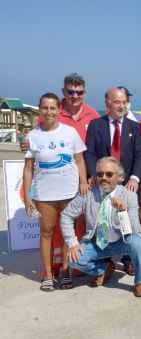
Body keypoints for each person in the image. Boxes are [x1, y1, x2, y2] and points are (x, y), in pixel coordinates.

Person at [20, 73, 100, 278]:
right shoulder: (48, 117)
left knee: (78, 226)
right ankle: (53, 269)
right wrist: (25, 145)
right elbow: (35, 145)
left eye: (79, 92)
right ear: (64, 92)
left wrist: (87, 179)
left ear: (84, 93)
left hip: (78, 181)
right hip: (48, 187)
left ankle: (75, 265)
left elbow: (87, 153)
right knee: (51, 230)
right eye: (71, 91)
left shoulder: (93, 115)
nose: (75, 95)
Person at [61, 157, 141, 297]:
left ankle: (140, 281)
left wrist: (123, 211)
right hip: (98, 243)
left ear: (119, 177)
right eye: (100, 174)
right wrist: (72, 242)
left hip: (122, 242)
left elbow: (135, 230)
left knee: (138, 243)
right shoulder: (88, 194)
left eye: (109, 174)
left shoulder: (129, 196)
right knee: (73, 260)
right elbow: (66, 215)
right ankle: (104, 268)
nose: (104, 178)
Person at [84, 88, 141, 276]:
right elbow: (90, 152)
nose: (122, 105)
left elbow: (140, 155)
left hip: (127, 182)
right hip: (104, 181)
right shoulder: (96, 125)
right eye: (117, 102)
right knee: (103, 217)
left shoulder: (135, 127)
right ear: (107, 104)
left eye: (124, 102)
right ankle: (105, 261)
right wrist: (94, 174)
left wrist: (135, 178)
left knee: (127, 218)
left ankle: (129, 258)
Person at [118, 86, 141, 247]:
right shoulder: (107, 120)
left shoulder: (140, 120)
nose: (124, 103)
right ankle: (125, 241)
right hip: (118, 174)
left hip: (140, 172)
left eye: (127, 99)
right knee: (120, 207)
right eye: (119, 100)